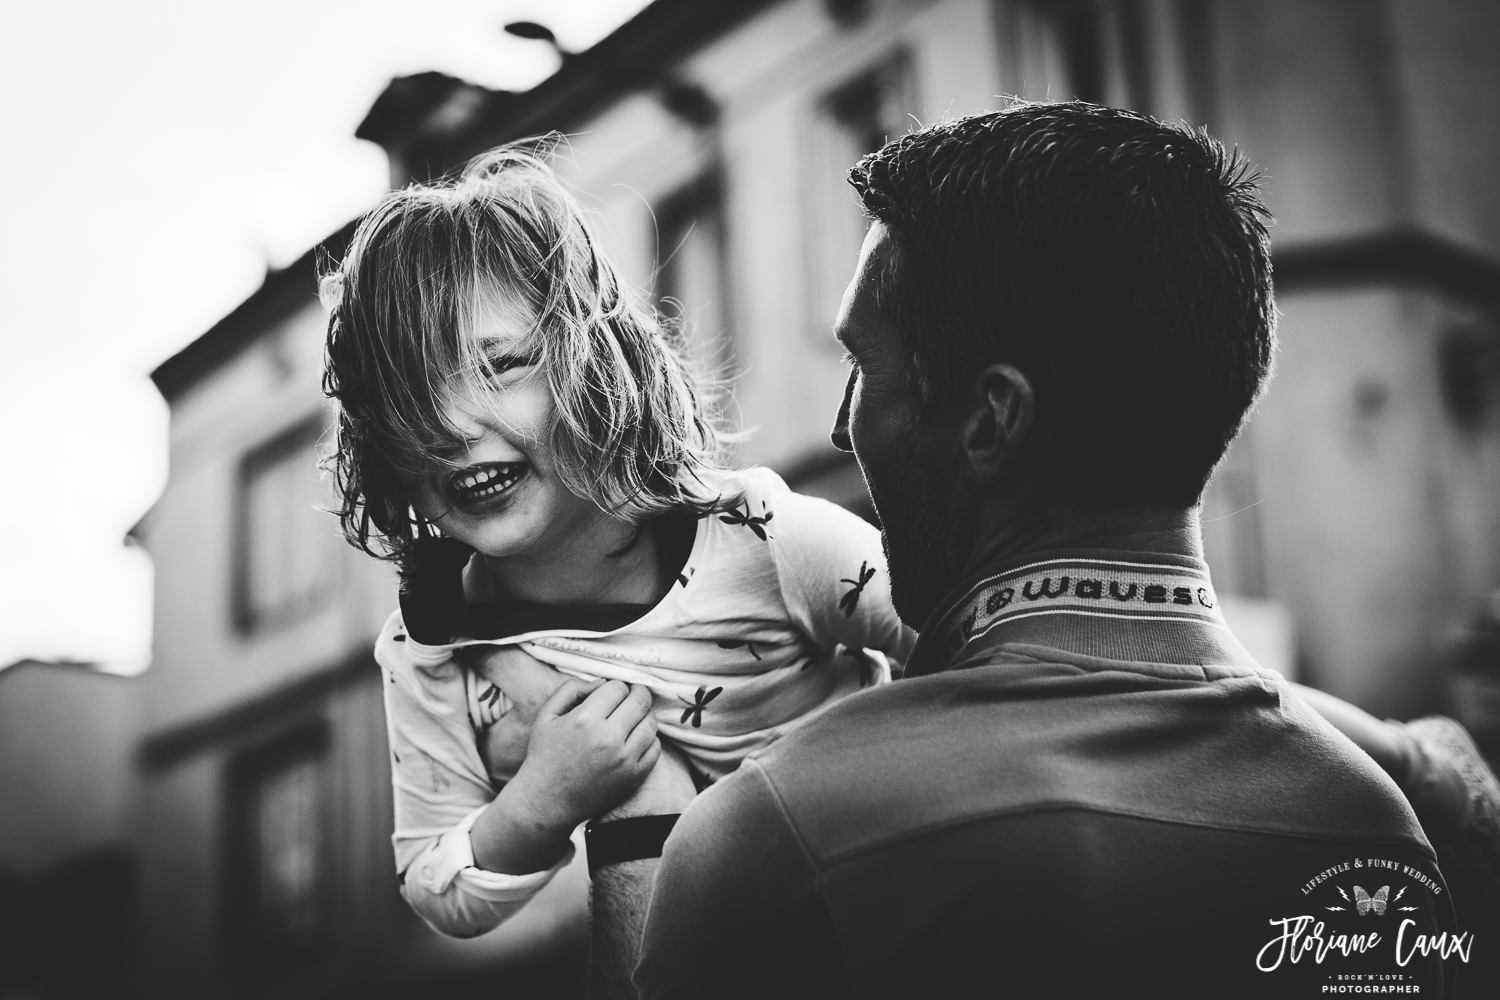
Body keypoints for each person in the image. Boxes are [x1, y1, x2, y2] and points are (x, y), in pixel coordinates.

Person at [593, 104, 1497, 997]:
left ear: (991, 418)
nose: (841, 429)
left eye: (864, 367)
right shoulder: (1370, 836)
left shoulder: (783, 836)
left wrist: (627, 841)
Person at [318, 147, 915, 938]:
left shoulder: (760, 537)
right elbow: (435, 882)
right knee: (639, 783)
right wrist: (540, 799)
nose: (452, 427)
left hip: (886, 878)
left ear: (596, 367)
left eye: (502, 365)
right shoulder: (433, 646)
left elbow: (964, 632)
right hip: (706, 949)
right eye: (411, 400)